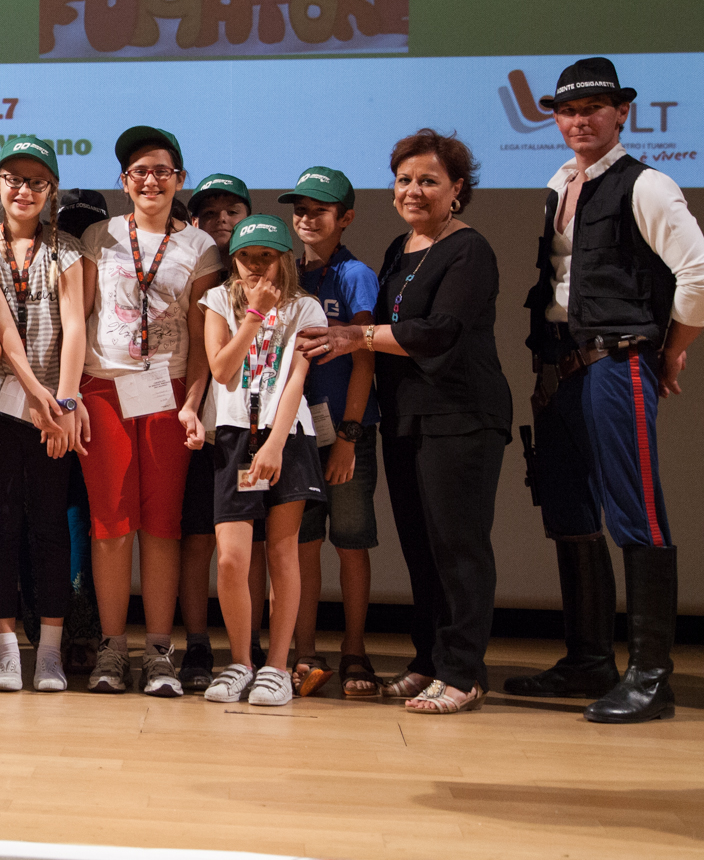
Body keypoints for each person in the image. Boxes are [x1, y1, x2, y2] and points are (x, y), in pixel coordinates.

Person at [509, 58, 703, 724]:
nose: (579, 120)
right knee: (569, 510)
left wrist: (670, 351)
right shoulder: (558, 183)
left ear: (621, 112)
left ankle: (651, 677)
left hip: (618, 362)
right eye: (567, 110)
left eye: (593, 108)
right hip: (560, 368)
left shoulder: (647, 185)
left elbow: (696, 273)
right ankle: (589, 660)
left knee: (636, 511)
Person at [301, 130, 511, 714]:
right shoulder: (402, 247)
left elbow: (440, 331)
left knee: (458, 547)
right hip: (407, 418)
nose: (413, 190)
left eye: (428, 181)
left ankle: (464, 673)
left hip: (460, 416)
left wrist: (357, 335)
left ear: (457, 189)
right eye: (404, 179)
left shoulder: (470, 249)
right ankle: (429, 661)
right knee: (421, 547)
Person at [77, 127, 222, 696]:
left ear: (179, 179)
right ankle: (113, 648)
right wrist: (70, 394)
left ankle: (159, 650)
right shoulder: (100, 235)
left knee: (162, 524)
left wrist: (193, 403)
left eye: (162, 171)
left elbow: (202, 337)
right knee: (111, 524)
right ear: (124, 181)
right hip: (103, 389)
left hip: (169, 391)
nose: (150, 180)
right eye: (139, 171)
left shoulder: (201, 247)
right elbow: (79, 318)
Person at [0, 136, 88, 693]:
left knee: (50, 527)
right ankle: (7, 650)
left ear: (51, 190)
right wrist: (37, 396)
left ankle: (50, 652)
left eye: (37, 182)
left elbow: (75, 326)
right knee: (3, 525)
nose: (24, 191)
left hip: (54, 409)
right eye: (14, 179)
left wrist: (65, 401)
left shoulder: (67, 250)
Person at [198, 216, 327, 706]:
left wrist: (274, 443)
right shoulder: (219, 301)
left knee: (281, 553)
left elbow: (297, 379)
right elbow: (221, 368)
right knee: (232, 558)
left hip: (286, 436)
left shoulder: (306, 307)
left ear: (284, 259)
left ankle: (276, 667)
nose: (255, 265)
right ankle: (240, 662)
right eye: (246, 256)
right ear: (233, 259)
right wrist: (253, 314)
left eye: (266, 256)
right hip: (234, 435)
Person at [280, 167, 381, 699]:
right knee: (303, 543)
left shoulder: (355, 274)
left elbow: (365, 355)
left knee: (351, 542)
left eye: (320, 210)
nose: (307, 218)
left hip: (345, 431)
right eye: (300, 209)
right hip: (298, 433)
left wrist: (348, 436)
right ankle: (305, 651)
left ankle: (354, 649)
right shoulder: (287, 274)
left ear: (345, 218)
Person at [173, 171, 251, 691]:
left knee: (252, 544)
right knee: (198, 536)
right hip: (200, 421)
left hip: (253, 429)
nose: (221, 220)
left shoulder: (273, 275)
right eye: (209, 212)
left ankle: (251, 645)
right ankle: (198, 642)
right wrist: (192, 406)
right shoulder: (190, 269)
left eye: (232, 211)